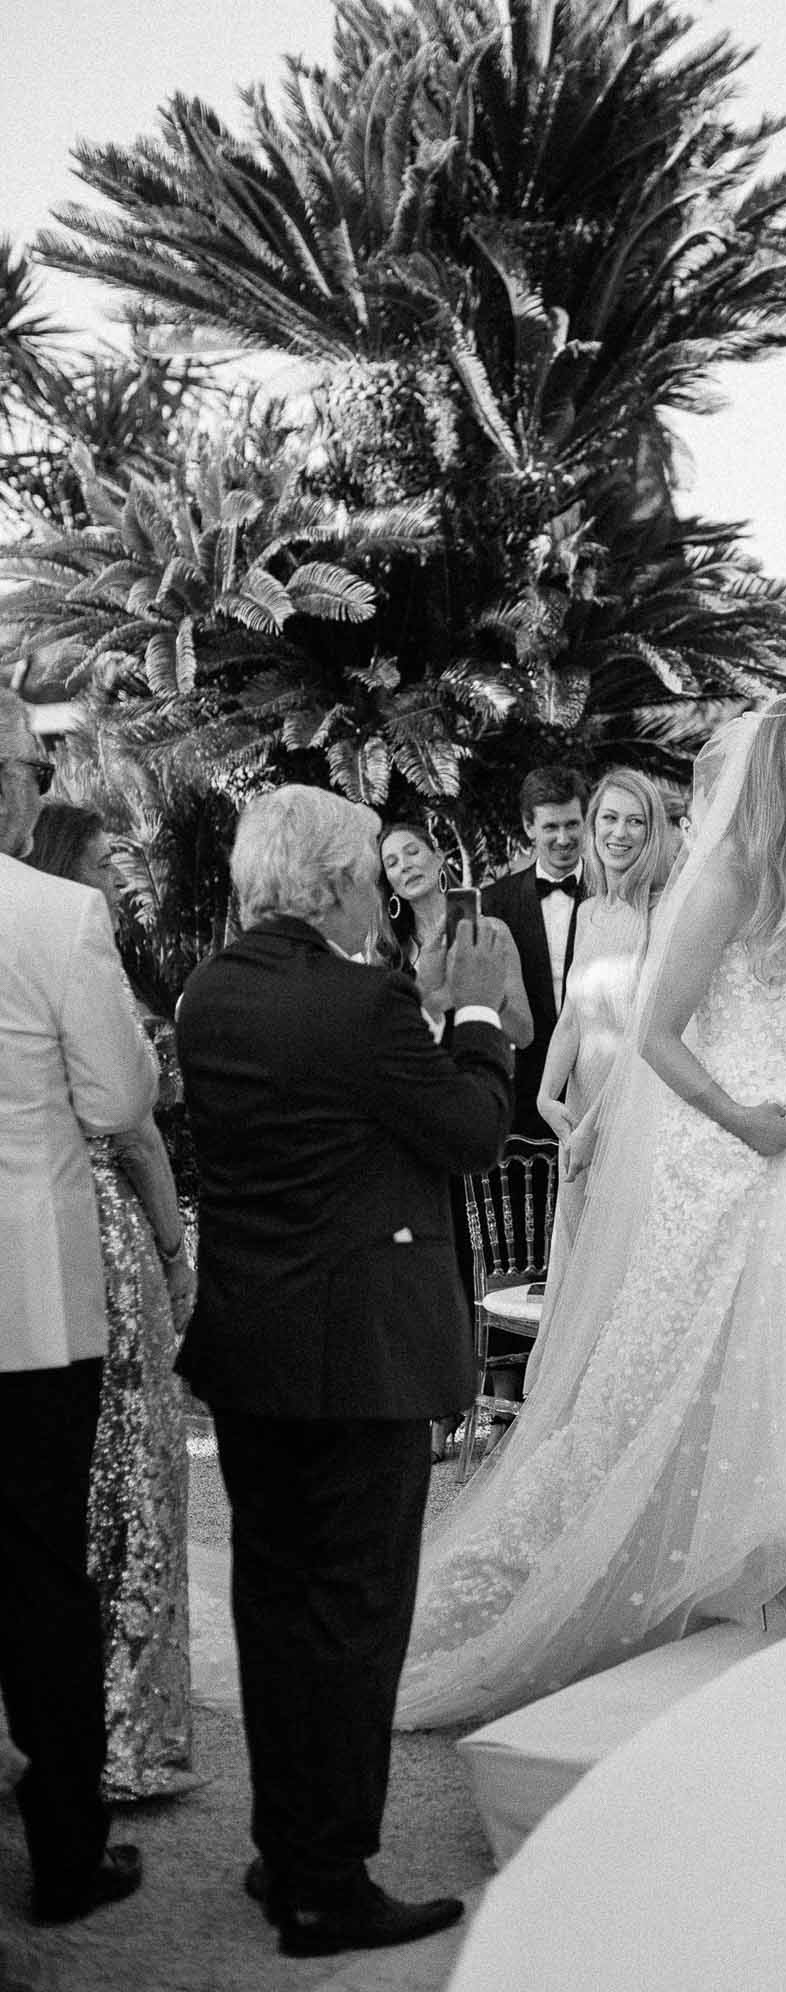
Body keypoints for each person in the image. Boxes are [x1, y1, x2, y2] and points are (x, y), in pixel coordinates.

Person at [395, 692, 786, 1728]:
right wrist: (739, 1118)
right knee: (671, 1372)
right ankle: (683, 1581)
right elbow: (662, 1035)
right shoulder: (724, 873)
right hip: (727, 1141)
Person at [175, 785, 513, 1957]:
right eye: (368, 869)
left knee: (274, 1605)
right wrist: (470, 1016)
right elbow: (469, 1130)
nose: (379, 885)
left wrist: (411, 1017)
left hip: (252, 1345)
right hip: (358, 1352)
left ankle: (288, 1848)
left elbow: (339, 1109)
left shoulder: (210, 991)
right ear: (330, 882)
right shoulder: (365, 1000)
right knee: (357, 1613)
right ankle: (330, 1882)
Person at [0, 689, 154, 1924]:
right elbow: (113, 1098)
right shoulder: (56, 916)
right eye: (28, 763)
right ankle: (63, 1853)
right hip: (29, 1305)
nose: (35, 783)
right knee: (43, 1572)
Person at [27, 803, 198, 1803]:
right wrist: (177, 1245)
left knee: (66, 1485)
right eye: (102, 862)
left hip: (39, 1221)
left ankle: (63, 1720)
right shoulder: (74, 945)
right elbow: (131, 1127)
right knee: (134, 1476)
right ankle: (127, 1738)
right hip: (103, 1223)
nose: (117, 880)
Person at [536, 769, 674, 1262]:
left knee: (619, 1258)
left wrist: (595, 1126)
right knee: (577, 1253)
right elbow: (573, 1016)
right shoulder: (589, 911)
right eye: (610, 818)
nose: (620, 833)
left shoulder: (662, 916)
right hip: (577, 1112)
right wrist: (546, 1098)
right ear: (592, 826)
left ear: (653, 831)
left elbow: (645, 1036)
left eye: (635, 821)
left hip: (628, 1110)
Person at [481, 767, 589, 1138]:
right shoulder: (494, 902)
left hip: (600, 1088)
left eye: (572, 824)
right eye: (550, 827)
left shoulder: (614, 896)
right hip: (523, 1094)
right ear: (529, 827)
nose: (563, 838)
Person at [376, 818, 531, 1045]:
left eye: (412, 852)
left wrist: (487, 992)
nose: (404, 865)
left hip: (481, 1075)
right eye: (392, 863)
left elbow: (524, 1035)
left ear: (438, 857)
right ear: (390, 882)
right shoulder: (388, 954)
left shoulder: (491, 931)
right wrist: (433, 996)